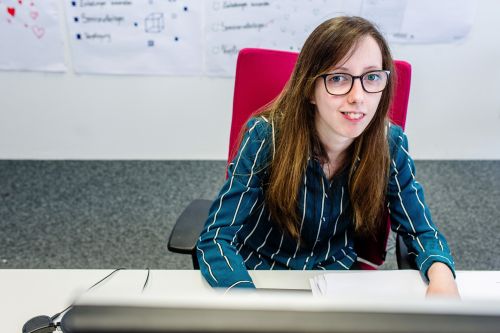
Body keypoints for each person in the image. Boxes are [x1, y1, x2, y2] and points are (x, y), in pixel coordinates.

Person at [196, 16, 458, 297]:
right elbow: (216, 237)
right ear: (310, 88)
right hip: (260, 273)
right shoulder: (265, 136)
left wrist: (442, 278)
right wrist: (248, 303)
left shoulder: (389, 144)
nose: (358, 96)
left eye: (371, 77)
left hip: (336, 280)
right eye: (338, 78)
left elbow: (422, 231)